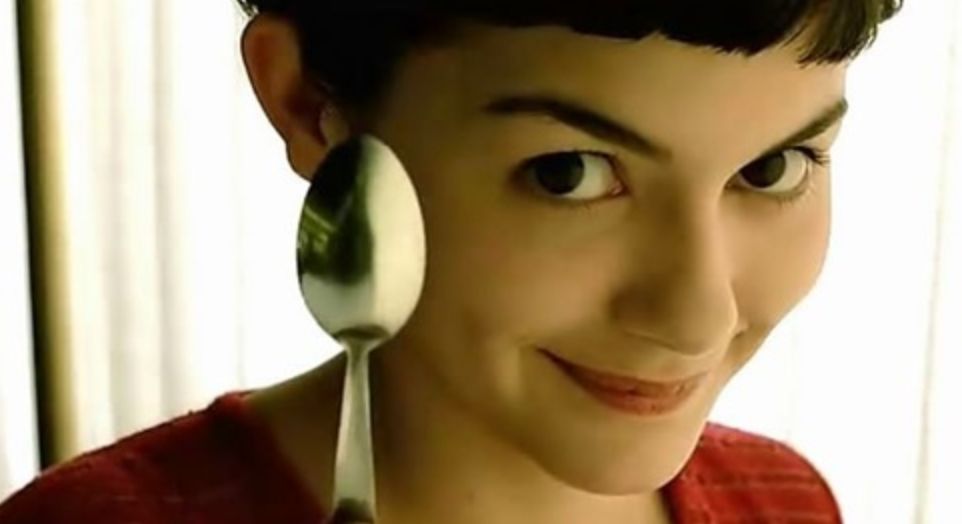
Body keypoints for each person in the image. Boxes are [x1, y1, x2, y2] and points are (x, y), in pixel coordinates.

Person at [0, 1, 902, 523]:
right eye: (568, 173)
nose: (697, 316)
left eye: (773, 169)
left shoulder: (784, 504)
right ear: (310, 102)